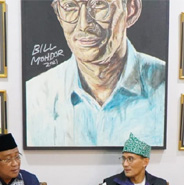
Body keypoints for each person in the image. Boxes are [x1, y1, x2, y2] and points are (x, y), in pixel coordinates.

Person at [25, 0, 165, 147]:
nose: (84, 24)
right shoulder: (34, 99)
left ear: (131, 10)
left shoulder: (165, 89)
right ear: (58, 14)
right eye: (70, 6)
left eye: (99, 4)